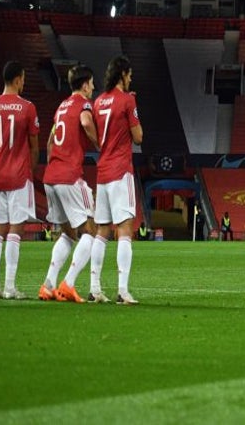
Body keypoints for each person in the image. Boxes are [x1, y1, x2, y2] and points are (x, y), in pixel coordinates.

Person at [39, 65, 99, 304]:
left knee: (68, 233)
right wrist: (101, 144)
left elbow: (50, 142)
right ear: (84, 85)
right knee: (90, 231)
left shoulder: (61, 107)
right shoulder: (84, 104)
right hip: (69, 176)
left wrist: (55, 162)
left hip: (51, 176)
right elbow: (85, 122)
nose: (93, 87)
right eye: (91, 83)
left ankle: (48, 285)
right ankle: (69, 284)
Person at [89, 55, 143, 305]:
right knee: (124, 228)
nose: (131, 78)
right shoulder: (128, 100)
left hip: (102, 171)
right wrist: (134, 108)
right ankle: (122, 291)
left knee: (102, 230)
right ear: (123, 74)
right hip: (121, 171)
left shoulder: (98, 101)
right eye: (129, 74)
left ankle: (94, 289)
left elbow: (97, 134)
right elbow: (138, 137)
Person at [0, 61, 40, 300]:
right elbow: (34, 146)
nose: (24, 83)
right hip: (19, 176)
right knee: (16, 230)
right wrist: (30, 170)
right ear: (18, 79)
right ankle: (9, 287)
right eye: (24, 79)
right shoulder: (27, 107)